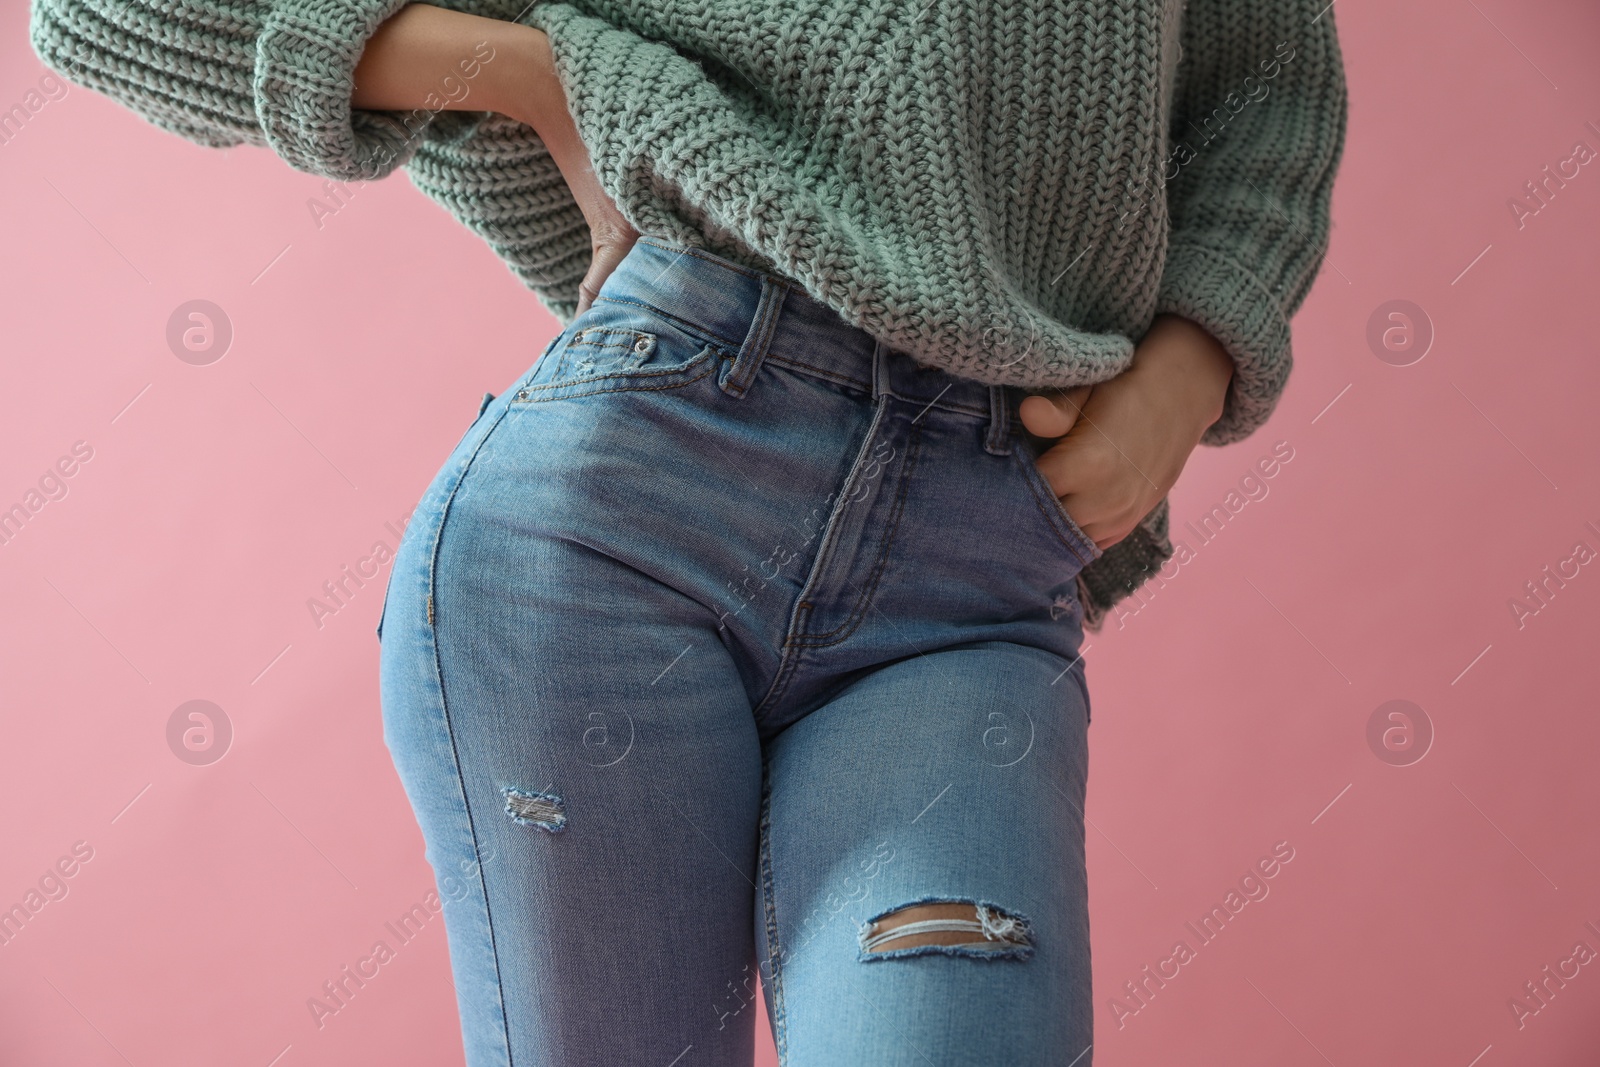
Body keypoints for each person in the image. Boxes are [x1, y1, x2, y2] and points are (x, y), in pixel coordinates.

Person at [31, 1, 1347, 1062]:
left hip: (973, 572)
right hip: (620, 526)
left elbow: (1268, 104)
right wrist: (541, 79)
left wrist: (1186, 373)